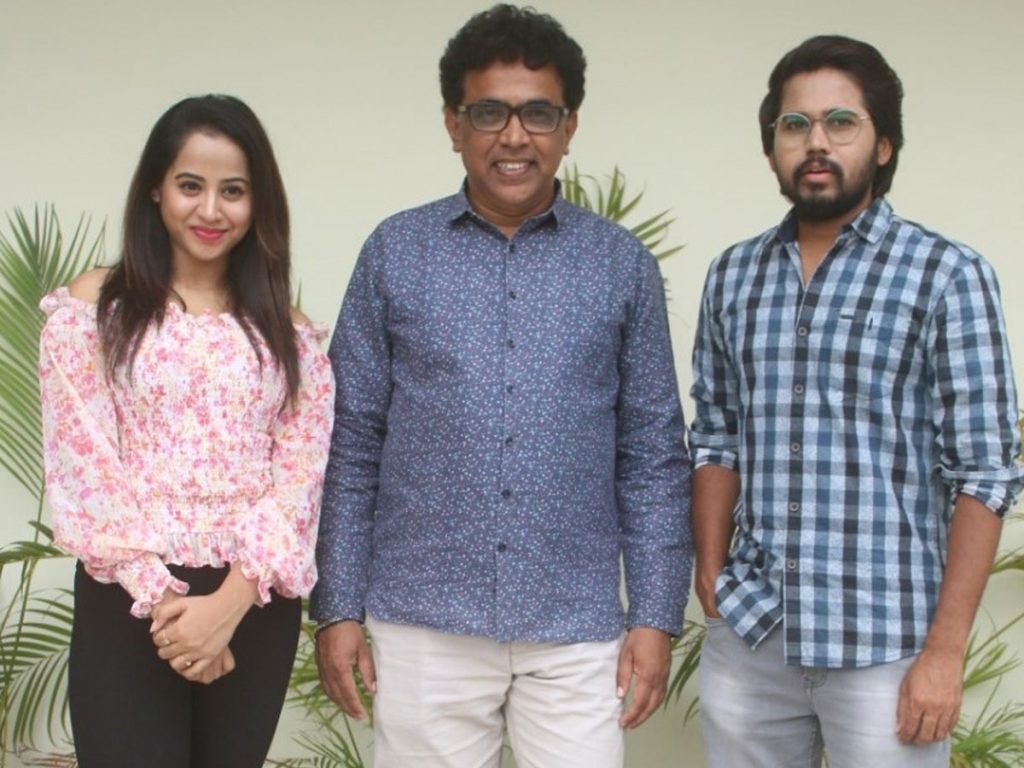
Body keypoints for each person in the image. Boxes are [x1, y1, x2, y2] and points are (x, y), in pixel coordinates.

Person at [311, 5, 692, 767]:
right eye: (489, 113)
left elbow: (652, 455)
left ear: (569, 127)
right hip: (424, 620)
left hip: (575, 627)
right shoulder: (395, 252)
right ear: (454, 125)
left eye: (538, 113)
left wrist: (655, 616)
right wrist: (337, 606)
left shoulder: (620, 265)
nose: (514, 136)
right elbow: (350, 444)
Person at [690, 34, 1023, 767]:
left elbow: (985, 474)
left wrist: (945, 654)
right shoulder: (733, 275)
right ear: (772, 146)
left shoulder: (947, 275)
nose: (816, 142)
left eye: (841, 122)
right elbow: (716, 435)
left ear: (884, 143)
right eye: (795, 124)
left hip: (887, 646)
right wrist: (710, 577)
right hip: (752, 633)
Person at [38, 94, 334, 767]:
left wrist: (226, 607)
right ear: (155, 188)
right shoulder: (93, 310)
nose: (211, 210)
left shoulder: (290, 335)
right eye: (190, 186)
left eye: (233, 191)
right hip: (128, 603)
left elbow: (300, 479)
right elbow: (85, 468)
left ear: (258, 202)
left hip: (252, 604)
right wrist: (171, 611)